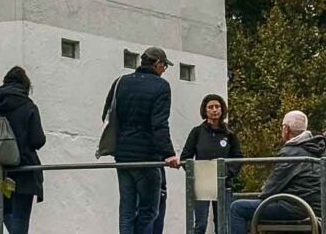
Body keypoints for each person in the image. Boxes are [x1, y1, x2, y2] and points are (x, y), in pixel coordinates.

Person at [102, 47, 180, 234]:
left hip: (122, 156)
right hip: (146, 157)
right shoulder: (161, 86)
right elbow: (159, 124)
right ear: (158, 64)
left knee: (127, 211)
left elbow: (107, 115)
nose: (163, 71)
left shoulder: (121, 82)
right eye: (164, 66)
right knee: (149, 210)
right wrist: (169, 153)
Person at [229, 111, 326, 234]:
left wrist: (262, 193)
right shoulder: (317, 148)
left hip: (296, 207)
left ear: (286, 129)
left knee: (237, 207)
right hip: (316, 206)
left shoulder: (290, 152)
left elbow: (270, 189)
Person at [0, 66, 46, 234]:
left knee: (6, 213)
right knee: (20, 217)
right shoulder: (28, 106)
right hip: (24, 170)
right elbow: (37, 140)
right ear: (25, 85)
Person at [181, 94, 243, 233]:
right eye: (210, 107)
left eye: (217, 107)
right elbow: (185, 157)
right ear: (205, 110)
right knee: (200, 224)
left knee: (222, 224)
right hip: (202, 185)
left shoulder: (229, 134)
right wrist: (197, 174)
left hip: (223, 184)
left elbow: (238, 158)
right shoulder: (197, 132)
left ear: (222, 110)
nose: (214, 110)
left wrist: (227, 173)